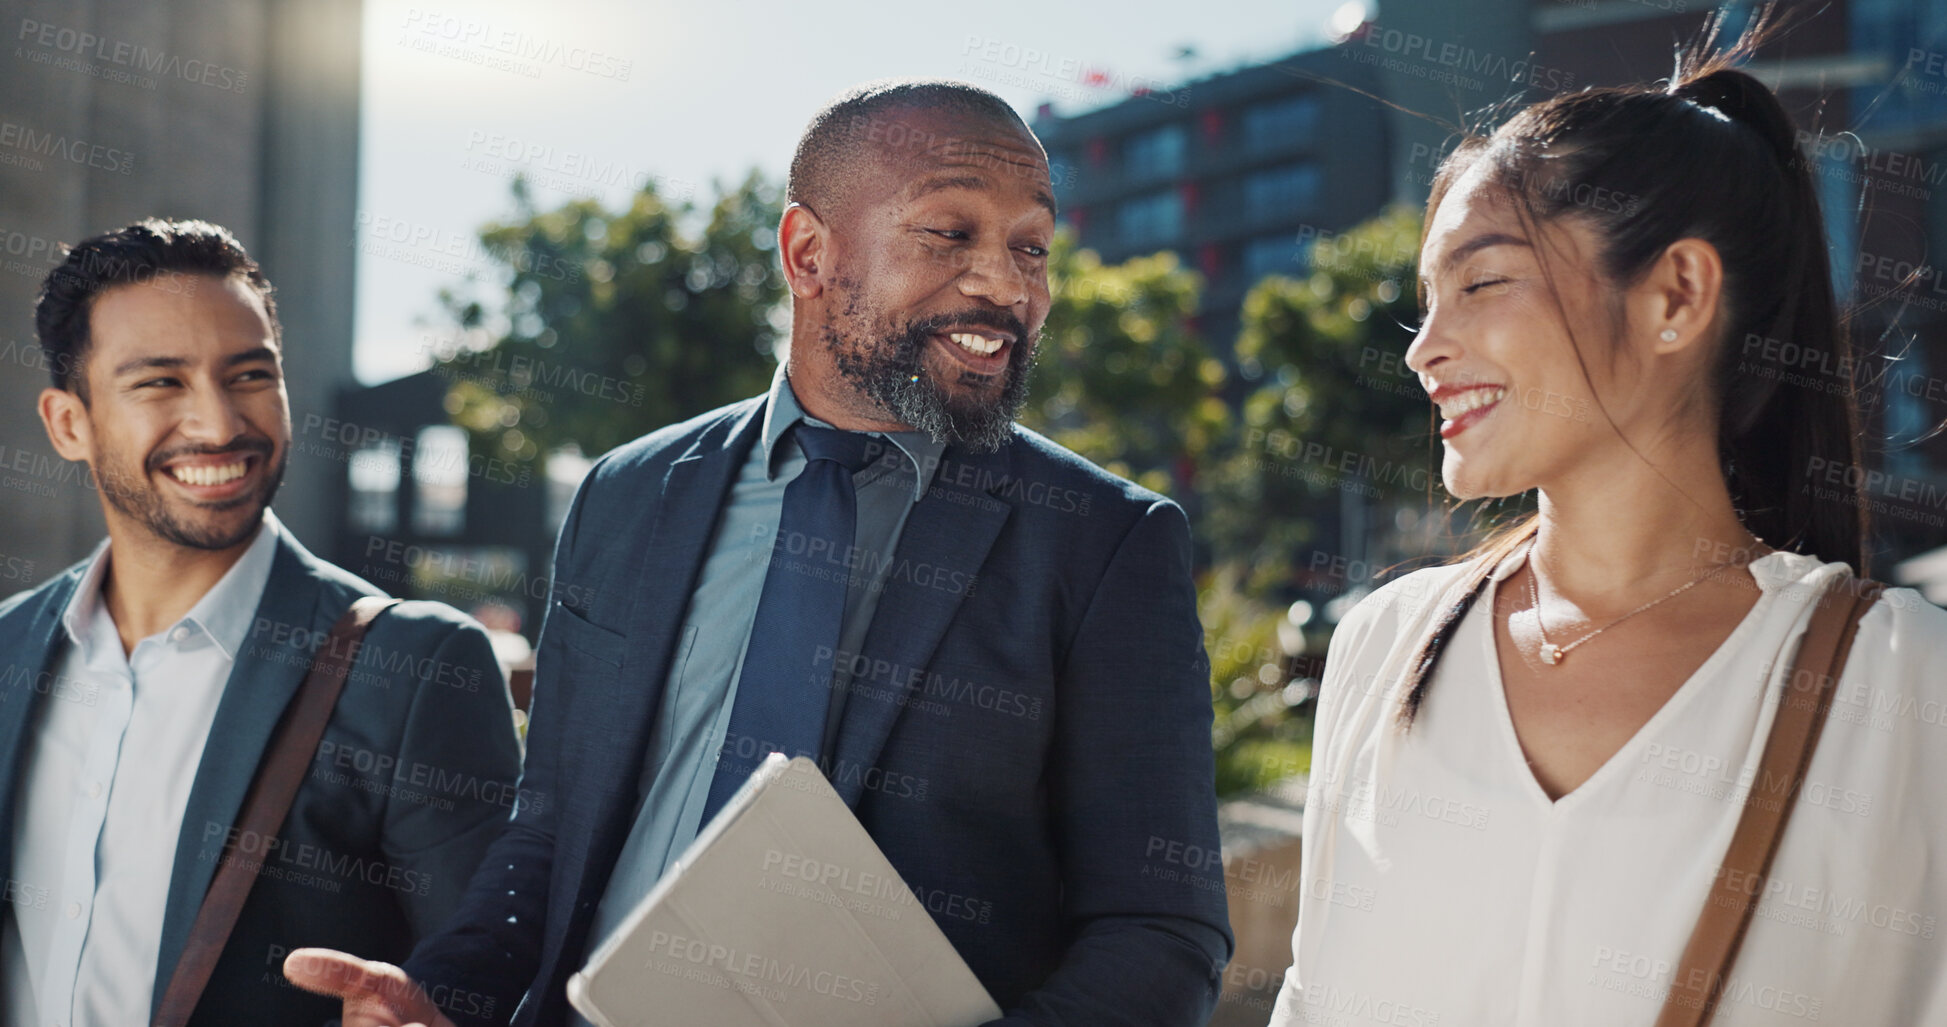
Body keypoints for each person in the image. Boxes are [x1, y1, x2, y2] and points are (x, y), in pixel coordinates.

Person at [286, 79, 1233, 1027]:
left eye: (1031, 246)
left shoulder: (1106, 541)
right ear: (808, 253)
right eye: (950, 234)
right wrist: (444, 990)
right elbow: (551, 836)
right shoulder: (627, 493)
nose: (1008, 283)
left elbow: (1159, 933)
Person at [1269, 33, 1947, 1027]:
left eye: (1482, 281)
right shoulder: (1389, 643)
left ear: (1677, 293)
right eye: (1426, 303)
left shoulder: (1904, 683)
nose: (1423, 350)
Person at [0, 219, 523, 1026]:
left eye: (248, 374)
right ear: (68, 423)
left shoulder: (413, 667)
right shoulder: (9, 650)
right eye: (160, 383)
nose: (217, 424)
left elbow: (493, 984)